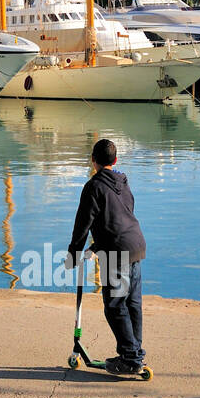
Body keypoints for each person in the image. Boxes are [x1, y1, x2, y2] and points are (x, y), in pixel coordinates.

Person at [65, 138, 147, 375]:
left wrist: (73, 254)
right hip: (136, 246)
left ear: (93, 161)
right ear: (115, 160)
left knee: (114, 305)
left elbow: (82, 224)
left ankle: (131, 357)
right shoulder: (124, 182)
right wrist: (96, 245)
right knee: (132, 303)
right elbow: (120, 216)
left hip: (117, 252)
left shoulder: (93, 187)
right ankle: (133, 352)